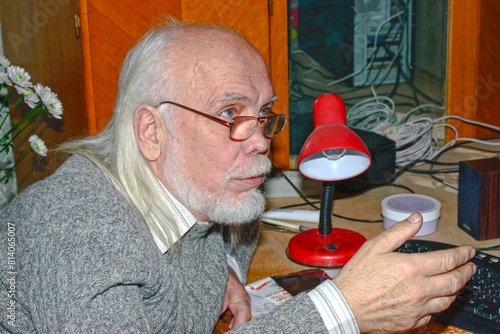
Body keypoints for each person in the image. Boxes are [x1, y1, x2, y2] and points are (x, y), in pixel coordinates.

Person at [0, 18, 476, 333]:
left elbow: (244, 218)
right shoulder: (72, 234)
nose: (262, 140)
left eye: (263, 112)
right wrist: (341, 309)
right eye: (230, 112)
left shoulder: (192, 186)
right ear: (152, 131)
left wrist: (221, 263)